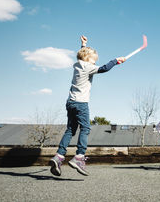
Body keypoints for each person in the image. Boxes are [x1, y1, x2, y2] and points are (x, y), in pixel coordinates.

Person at [49, 35, 126, 176]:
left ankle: (59, 156)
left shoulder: (78, 64)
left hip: (70, 102)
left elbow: (83, 55)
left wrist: (83, 45)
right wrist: (115, 60)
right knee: (85, 128)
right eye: (93, 60)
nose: (94, 63)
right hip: (81, 103)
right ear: (87, 60)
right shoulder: (88, 66)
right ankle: (79, 156)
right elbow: (103, 69)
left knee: (70, 130)